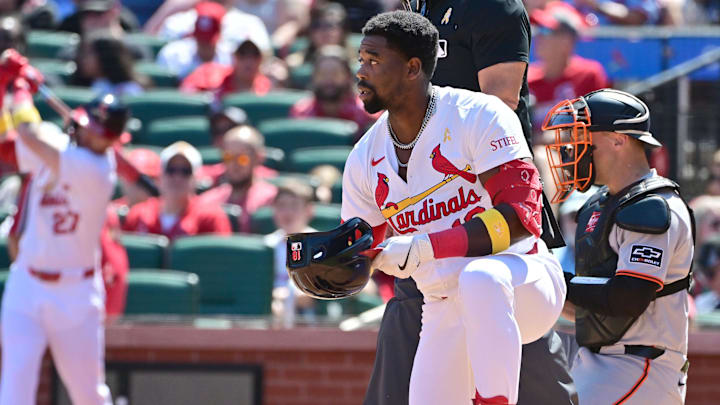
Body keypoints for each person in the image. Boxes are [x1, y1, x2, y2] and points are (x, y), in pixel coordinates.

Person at [362, 1, 577, 404]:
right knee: (406, 344)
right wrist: (336, 262)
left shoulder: (492, 6)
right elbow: (360, 239)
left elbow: (499, 105)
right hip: (432, 222)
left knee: (498, 308)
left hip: (487, 195)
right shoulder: (368, 148)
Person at [542, 88, 694, 404]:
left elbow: (627, 298)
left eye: (584, 136)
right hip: (596, 361)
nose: (574, 149)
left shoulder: (652, 206)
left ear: (618, 139)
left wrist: (555, 282)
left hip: (640, 364)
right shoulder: (598, 204)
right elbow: (585, 308)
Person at [0, 57, 126, 403]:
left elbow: (27, 131)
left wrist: (21, 87)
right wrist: (4, 87)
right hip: (26, 285)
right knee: (13, 392)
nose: (95, 139)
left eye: (103, 137)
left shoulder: (97, 168)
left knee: (88, 394)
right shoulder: (59, 146)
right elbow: (8, 141)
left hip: (75, 292)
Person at [122, 141, 232, 240]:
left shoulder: (211, 217)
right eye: (171, 170)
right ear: (161, 176)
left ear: (196, 179)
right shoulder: (138, 214)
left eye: (185, 171)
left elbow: (221, 260)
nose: (177, 177)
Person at [528, 2, 608, 135]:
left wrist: (553, 138)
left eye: (545, 31)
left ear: (567, 41)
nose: (538, 36)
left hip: (574, 152)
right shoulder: (526, 77)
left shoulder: (588, 74)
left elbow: (594, 127)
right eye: (537, 29)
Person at [198, 125, 277, 232]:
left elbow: (298, 243)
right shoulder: (207, 201)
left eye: (242, 158)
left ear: (258, 158)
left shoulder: (273, 200)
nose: (234, 164)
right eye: (228, 157)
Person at [290, 45, 378, 135]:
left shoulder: (366, 114)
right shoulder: (301, 113)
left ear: (348, 77)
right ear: (313, 77)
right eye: (322, 73)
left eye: (335, 73)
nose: (328, 79)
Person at [264, 180, 317, 325]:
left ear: (309, 210)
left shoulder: (322, 244)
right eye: (281, 206)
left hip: (312, 320)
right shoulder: (266, 245)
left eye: (294, 206)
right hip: (269, 315)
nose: (287, 212)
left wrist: (288, 297)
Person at [156, 1, 233, 79]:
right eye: (201, 40)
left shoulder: (230, 57)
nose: (204, 45)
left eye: (208, 42)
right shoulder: (174, 54)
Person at [180, 37, 272, 96]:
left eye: (255, 55)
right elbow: (186, 91)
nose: (248, 61)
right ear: (233, 56)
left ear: (262, 59)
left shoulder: (267, 86)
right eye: (242, 54)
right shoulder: (212, 74)